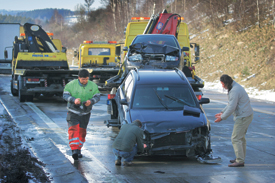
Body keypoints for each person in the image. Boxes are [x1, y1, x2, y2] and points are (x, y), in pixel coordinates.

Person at [215, 74, 253, 167]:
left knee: (235, 138)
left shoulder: (234, 90)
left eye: (223, 84)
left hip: (243, 116)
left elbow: (232, 106)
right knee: (241, 138)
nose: (222, 86)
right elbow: (231, 103)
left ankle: (240, 161)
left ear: (227, 83)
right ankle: (240, 158)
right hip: (246, 115)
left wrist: (222, 117)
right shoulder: (234, 87)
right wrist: (222, 112)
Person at [63, 69, 100, 160]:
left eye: (86, 79)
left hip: (85, 112)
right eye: (83, 79)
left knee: (82, 131)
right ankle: (74, 150)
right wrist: (73, 100)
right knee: (73, 129)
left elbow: (97, 96)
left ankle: (78, 149)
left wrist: (91, 101)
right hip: (73, 111)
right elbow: (65, 95)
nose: (85, 81)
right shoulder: (71, 85)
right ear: (78, 78)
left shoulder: (93, 85)